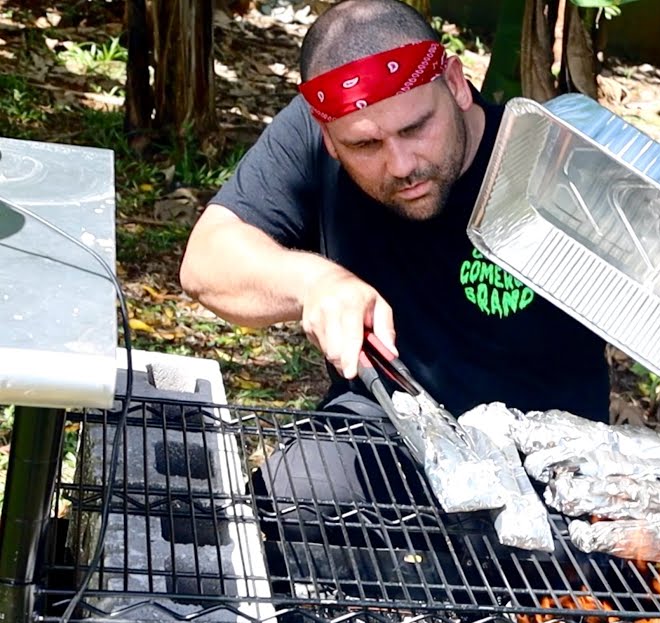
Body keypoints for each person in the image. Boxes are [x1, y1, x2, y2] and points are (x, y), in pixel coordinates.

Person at [179, 0, 609, 570]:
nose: (402, 163)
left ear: (454, 83)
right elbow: (206, 261)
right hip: (387, 432)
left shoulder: (553, 163)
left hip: (549, 465)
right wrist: (314, 281)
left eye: (416, 128)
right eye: (365, 146)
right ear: (329, 137)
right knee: (273, 514)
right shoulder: (316, 129)